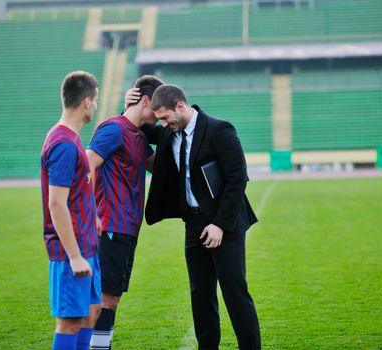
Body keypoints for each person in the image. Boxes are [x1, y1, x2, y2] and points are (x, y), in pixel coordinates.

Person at [130, 84, 261, 349]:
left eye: (166, 117)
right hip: (193, 223)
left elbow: (238, 179)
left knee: (235, 295)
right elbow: (141, 127)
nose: (164, 124)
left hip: (226, 224)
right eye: (161, 120)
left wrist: (220, 225)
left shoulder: (219, 129)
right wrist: (128, 104)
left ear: (180, 105)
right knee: (200, 296)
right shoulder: (169, 132)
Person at [86, 75, 162, 350]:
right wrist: (92, 213)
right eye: (157, 108)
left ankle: (100, 346)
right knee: (105, 298)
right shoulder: (113, 129)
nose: (160, 115)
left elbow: (160, 168)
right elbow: (86, 166)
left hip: (128, 229)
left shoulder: (139, 137)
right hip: (110, 227)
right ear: (144, 101)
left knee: (111, 297)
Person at [40, 71, 102, 350]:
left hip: (87, 244)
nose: (97, 107)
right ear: (87, 102)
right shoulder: (64, 144)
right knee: (71, 321)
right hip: (71, 252)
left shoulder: (72, 138)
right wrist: (75, 256)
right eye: (96, 101)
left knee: (91, 312)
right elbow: (56, 203)